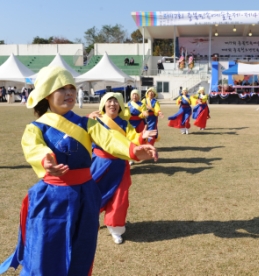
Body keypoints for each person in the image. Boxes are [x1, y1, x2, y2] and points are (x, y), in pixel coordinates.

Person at [0, 66, 158, 275]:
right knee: (45, 248)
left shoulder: (88, 123)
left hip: (85, 194)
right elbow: (33, 148)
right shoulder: (36, 127)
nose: (69, 93)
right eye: (62, 89)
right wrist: (45, 160)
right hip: (52, 197)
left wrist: (133, 149)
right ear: (47, 93)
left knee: (82, 248)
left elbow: (109, 139)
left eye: (72, 88)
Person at [89, 92, 152, 245]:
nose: (112, 104)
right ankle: (90, 223)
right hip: (99, 163)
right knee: (92, 195)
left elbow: (133, 137)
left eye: (116, 101)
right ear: (103, 104)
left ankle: (115, 229)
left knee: (119, 198)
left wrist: (142, 135)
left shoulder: (124, 123)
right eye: (109, 101)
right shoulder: (94, 120)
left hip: (119, 164)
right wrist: (87, 118)